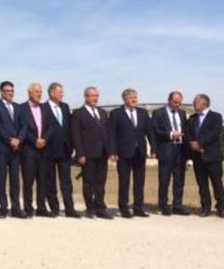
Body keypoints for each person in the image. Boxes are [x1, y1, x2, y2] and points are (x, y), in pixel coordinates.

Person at [110, 88, 156, 218]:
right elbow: (112, 134)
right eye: (131, 97)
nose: (134, 99)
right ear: (124, 99)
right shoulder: (116, 113)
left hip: (140, 152)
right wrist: (113, 151)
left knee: (139, 181)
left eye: (135, 97)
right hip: (123, 153)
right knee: (124, 182)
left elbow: (150, 132)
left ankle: (138, 207)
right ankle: (124, 207)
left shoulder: (142, 113)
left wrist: (153, 148)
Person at [71, 86, 115, 219]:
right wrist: (80, 154)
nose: (95, 98)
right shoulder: (78, 113)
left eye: (97, 95)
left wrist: (111, 151)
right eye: (92, 95)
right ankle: (90, 208)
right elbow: (76, 135)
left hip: (102, 153)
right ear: (86, 97)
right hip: (87, 154)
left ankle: (100, 207)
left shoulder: (102, 112)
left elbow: (108, 134)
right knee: (89, 182)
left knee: (101, 182)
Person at [42, 82, 79, 218]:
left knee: (66, 182)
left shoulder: (65, 107)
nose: (62, 94)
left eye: (62, 92)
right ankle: (54, 208)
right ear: (52, 93)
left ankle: (70, 209)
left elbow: (69, 128)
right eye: (60, 92)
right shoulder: (43, 108)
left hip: (65, 150)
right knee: (50, 181)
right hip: (49, 150)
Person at [0, 81, 24, 218]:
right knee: (1, 179)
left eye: (12, 91)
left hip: (16, 149)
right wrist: (10, 139)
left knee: (15, 180)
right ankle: (3, 208)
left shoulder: (18, 107)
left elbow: (24, 125)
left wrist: (19, 139)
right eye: (7, 91)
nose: (10, 93)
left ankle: (16, 208)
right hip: (1, 148)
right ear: (1, 92)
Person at [151, 91, 190, 216]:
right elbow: (155, 130)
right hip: (166, 149)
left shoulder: (182, 113)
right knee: (164, 179)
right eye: (175, 102)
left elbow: (185, 130)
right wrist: (170, 135)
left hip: (180, 150)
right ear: (169, 100)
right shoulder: (158, 113)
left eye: (179, 102)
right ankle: (163, 205)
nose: (178, 105)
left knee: (179, 179)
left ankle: (177, 205)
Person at [186, 94, 224, 217]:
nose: (193, 103)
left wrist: (200, 143)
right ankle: (205, 207)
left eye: (195, 102)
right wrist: (192, 143)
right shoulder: (192, 118)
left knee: (217, 183)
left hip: (212, 156)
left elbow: (215, 133)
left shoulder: (216, 116)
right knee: (202, 185)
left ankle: (221, 207)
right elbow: (186, 133)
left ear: (204, 103)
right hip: (197, 157)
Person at [20, 83, 54, 218]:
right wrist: (35, 140)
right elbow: (22, 128)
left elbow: (51, 126)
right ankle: (28, 208)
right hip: (29, 150)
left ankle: (41, 208)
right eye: (36, 92)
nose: (39, 94)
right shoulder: (22, 108)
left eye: (40, 92)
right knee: (28, 181)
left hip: (44, 149)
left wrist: (44, 139)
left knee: (42, 181)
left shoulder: (45, 108)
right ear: (29, 93)